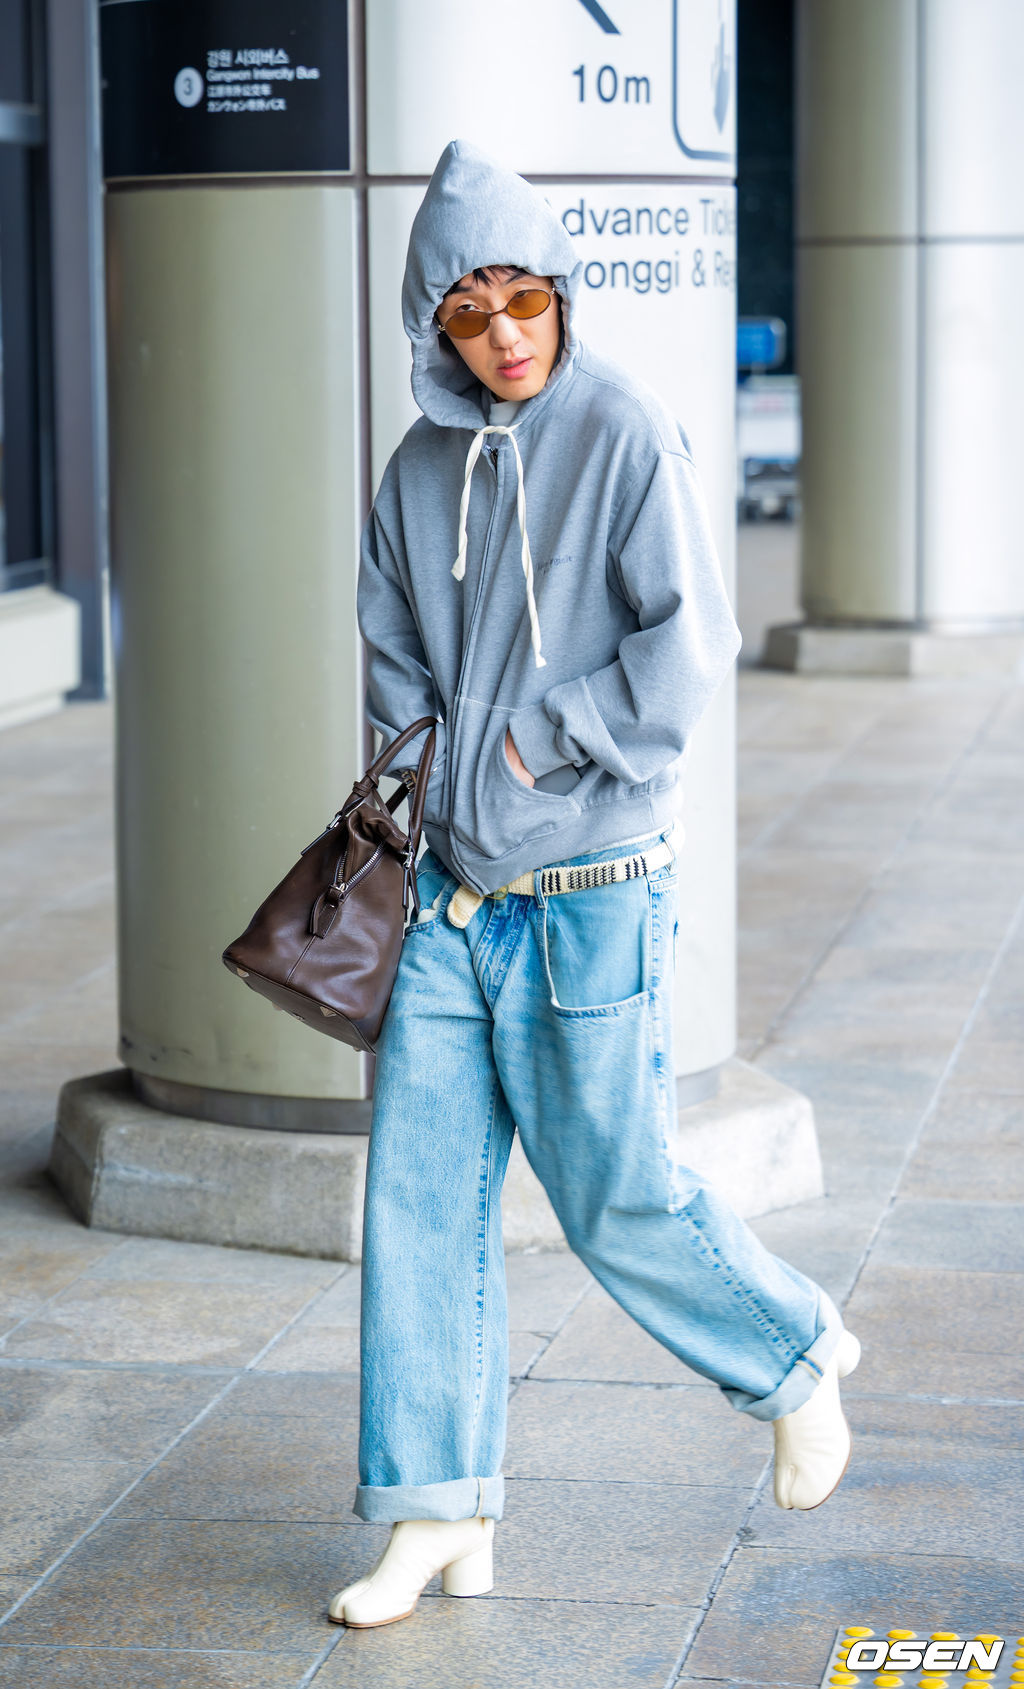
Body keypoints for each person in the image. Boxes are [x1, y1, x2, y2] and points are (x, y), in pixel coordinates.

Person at [328, 139, 859, 1630]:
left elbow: (689, 652)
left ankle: (796, 1359)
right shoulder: (415, 471)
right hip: (450, 899)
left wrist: (533, 743)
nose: (505, 333)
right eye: (469, 311)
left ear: (560, 292)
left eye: (525, 298)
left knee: (615, 1191)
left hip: (593, 886)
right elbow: (391, 661)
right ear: (435, 324)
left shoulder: (624, 431)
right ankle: (438, 1511)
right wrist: (443, 787)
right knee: (417, 1211)